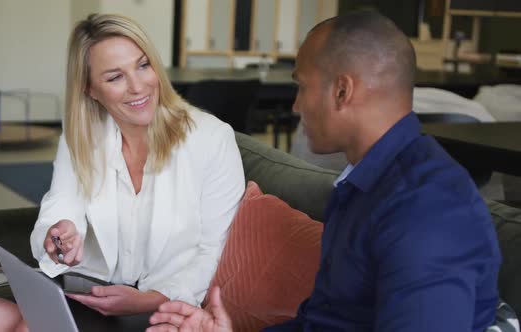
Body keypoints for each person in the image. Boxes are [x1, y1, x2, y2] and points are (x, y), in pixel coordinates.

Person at [146, 11, 502, 332]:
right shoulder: (361, 183)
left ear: (342, 91)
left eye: (302, 87)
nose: (296, 105)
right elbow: (321, 321)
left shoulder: (426, 211)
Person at [0, 13, 244, 331]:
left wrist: (149, 298)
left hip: (169, 305)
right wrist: (62, 234)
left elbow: (215, 251)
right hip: (97, 293)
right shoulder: (83, 133)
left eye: (143, 65)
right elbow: (62, 202)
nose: (139, 86)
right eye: (115, 77)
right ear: (91, 89)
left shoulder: (211, 139)